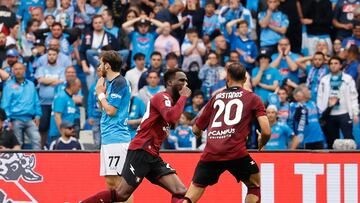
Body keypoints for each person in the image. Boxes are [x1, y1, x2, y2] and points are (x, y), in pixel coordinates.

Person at [81, 68, 192, 203]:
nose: (185, 83)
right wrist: (184, 97)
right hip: (141, 150)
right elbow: (171, 117)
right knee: (121, 195)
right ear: (169, 82)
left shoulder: (170, 101)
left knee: (180, 191)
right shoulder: (162, 97)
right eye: (181, 80)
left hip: (152, 154)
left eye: (186, 80)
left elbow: (171, 122)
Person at [182, 62, 271, 203]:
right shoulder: (253, 98)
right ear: (245, 79)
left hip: (211, 154)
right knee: (254, 185)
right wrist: (262, 141)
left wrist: (199, 134)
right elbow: (266, 130)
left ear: (227, 79)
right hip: (236, 153)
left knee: (191, 195)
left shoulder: (216, 97)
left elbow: (195, 129)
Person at [95, 50, 133, 202]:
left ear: (108, 66)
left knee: (119, 185)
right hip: (109, 138)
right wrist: (101, 92)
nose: (99, 67)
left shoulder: (119, 82)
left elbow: (110, 110)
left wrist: (100, 94)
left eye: (101, 63)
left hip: (117, 139)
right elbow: (103, 108)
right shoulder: (110, 83)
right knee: (111, 183)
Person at [317, 56, 359, 149]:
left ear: (340, 66)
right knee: (331, 141)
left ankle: (352, 160)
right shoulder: (324, 80)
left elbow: (353, 96)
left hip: (344, 113)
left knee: (349, 139)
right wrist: (323, 112)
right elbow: (320, 97)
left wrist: (355, 112)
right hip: (330, 114)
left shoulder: (348, 79)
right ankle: (333, 161)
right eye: (331, 64)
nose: (333, 66)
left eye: (336, 63)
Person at [1, 62, 42, 149]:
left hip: (30, 119)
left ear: (24, 70)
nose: (18, 71)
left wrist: (38, 115)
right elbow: (5, 104)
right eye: (16, 69)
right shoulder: (9, 86)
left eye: (20, 69)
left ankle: (39, 161)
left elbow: (36, 101)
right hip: (15, 119)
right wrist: (8, 120)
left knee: (37, 140)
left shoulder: (31, 84)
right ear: (12, 71)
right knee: (18, 143)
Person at [48, 77, 81, 145]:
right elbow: (57, 116)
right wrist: (63, 134)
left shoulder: (71, 99)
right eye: (78, 86)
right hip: (58, 135)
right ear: (73, 86)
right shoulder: (61, 97)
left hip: (67, 135)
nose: (79, 88)